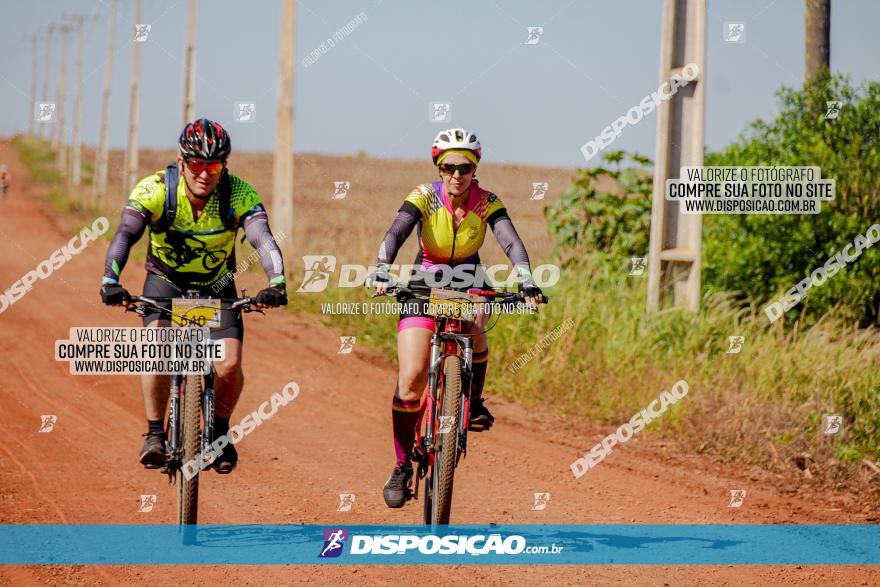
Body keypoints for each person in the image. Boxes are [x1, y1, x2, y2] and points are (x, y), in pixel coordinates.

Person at [366, 128, 545, 508]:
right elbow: (396, 231)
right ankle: (401, 464)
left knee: (479, 324)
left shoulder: (486, 201)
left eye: (464, 167)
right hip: (425, 278)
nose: (456, 175)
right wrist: (381, 267)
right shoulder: (424, 196)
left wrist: (526, 281)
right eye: (448, 167)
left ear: (474, 167)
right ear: (438, 167)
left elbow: (510, 242)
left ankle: (474, 400)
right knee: (412, 378)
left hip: (469, 278)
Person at [100, 118, 288, 473]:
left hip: (217, 288)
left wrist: (277, 282)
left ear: (224, 166)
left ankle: (218, 431)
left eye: (213, 165)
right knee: (156, 348)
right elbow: (125, 234)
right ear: (181, 162)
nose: (204, 173)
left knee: (229, 363)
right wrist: (110, 279)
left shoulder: (238, 194)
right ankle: (155, 433)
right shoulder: (155, 189)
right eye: (197, 164)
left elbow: (263, 239)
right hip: (165, 282)